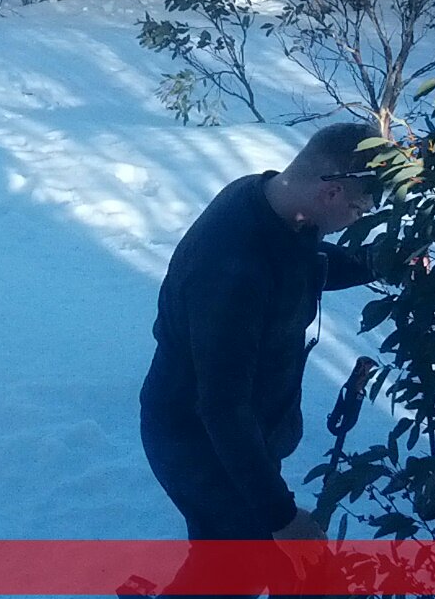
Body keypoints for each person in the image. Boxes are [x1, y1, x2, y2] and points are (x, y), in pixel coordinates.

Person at [138, 123, 385, 596]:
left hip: (238, 436)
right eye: (358, 208)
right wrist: (282, 516)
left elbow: (303, 266)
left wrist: (379, 261)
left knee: (226, 568)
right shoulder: (232, 270)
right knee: (234, 574)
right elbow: (222, 407)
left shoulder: (275, 205)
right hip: (199, 441)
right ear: (331, 191)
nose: (358, 218)